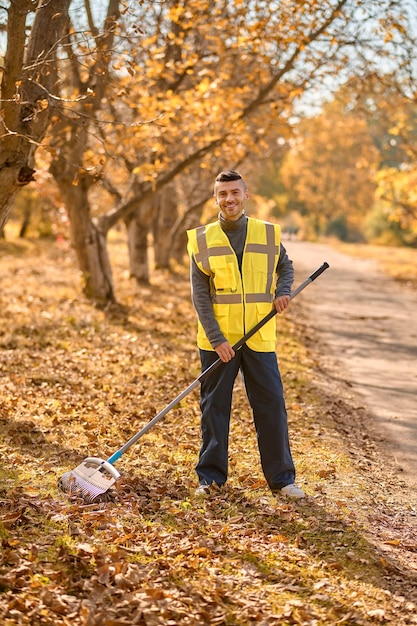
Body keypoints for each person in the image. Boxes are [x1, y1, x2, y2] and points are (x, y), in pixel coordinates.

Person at [186, 170, 304, 500]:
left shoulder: (266, 235)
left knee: (271, 405)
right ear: (215, 199)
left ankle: (282, 479)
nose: (229, 199)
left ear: (246, 195)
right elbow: (200, 295)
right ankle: (210, 478)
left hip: (259, 335)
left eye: (235, 192)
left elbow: (286, 266)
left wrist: (283, 291)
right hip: (218, 341)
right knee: (214, 408)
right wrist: (217, 339)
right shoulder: (202, 239)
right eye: (223, 194)